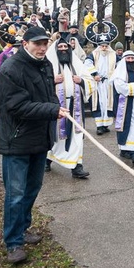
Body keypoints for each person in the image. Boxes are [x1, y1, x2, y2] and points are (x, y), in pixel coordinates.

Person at [0, 26, 69, 264]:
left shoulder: (45, 65)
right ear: (25, 44)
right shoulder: (10, 70)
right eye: (37, 44)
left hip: (39, 139)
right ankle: (13, 242)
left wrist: (56, 105)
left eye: (45, 43)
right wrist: (52, 110)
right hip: (16, 140)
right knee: (15, 194)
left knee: (32, 188)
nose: (42, 48)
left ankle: (23, 228)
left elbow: (49, 95)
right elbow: (16, 107)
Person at [44, 37, 95, 178]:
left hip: (75, 106)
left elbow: (91, 81)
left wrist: (82, 81)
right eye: (59, 48)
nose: (63, 50)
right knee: (55, 135)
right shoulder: (48, 65)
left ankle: (76, 167)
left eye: (65, 47)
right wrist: (52, 81)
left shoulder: (77, 64)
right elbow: (39, 85)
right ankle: (48, 160)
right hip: (56, 107)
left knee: (77, 136)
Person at [84, 41, 116, 135]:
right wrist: (94, 74)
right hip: (97, 82)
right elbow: (87, 63)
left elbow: (120, 65)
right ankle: (99, 126)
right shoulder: (94, 55)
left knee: (107, 103)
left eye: (106, 46)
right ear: (99, 47)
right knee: (98, 103)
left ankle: (105, 125)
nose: (104, 48)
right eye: (102, 46)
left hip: (109, 83)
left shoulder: (113, 55)